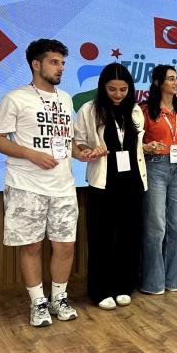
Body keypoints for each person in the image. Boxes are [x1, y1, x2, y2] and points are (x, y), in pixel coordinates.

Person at [0, 39, 94, 327]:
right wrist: (30, 154)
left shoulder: (66, 99)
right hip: (26, 185)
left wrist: (81, 153)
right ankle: (38, 303)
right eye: (54, 62)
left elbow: (67, 141)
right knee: (31, 246)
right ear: (36, 64)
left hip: (63, 186)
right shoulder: (15, 99)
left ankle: (59, 298)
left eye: (62, 63)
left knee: (65, 246)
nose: (60, 68)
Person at [74, 64, 147, 309]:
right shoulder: (89, 109)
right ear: (103, 87)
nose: (118, 94)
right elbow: (77, 142)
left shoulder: (135, 110)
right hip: (104, 183)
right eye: (112, 89)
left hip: (133, 182)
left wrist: (148, 147)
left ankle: (124, 285)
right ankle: (100, 290)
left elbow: (136, 144)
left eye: (123, 90)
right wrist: (89, 150)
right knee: (101, 237)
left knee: (130, 236)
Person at [139, 65, 177, 294]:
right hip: (155, 166)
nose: (176, 82)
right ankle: (153, 283)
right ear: (158, 83)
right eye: (171, 79)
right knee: (156, 226)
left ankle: (173, 279)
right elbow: (133, 141)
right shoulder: (145, 110)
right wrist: (146, 146)